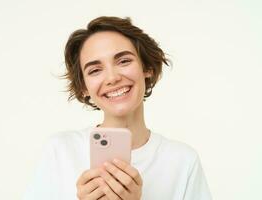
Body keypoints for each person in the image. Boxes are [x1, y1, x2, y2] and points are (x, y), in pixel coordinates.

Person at [23, 16, 212, 200]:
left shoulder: (182, 161)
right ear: (84, 88)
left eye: (123, 61)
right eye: (95, 70)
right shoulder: (60, 151)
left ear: (147, 68)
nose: (112, 78)